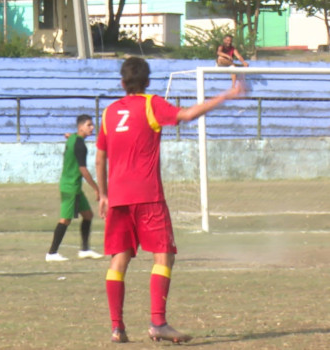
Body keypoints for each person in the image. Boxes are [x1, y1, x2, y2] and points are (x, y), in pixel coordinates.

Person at [95, 57, 243, 344]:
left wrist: (102, 194)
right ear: (148, 82)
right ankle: (158, 322)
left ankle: (117, 328)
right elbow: (187, 115)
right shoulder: (151, 104)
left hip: (118, 198)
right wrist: (225, 95)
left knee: (119, 259)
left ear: (122, 83)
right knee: (164, 255)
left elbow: (101, 157)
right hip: (148, 196)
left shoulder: (109, 112)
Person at [46, 114, 103, 262]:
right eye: (89, 125)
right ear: (81, 127)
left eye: (92, 125)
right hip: (70, 186)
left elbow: (70, 136)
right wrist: (97, 188)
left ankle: (85, 250)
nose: (92, 128)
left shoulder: (73, 138)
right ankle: (52, 253)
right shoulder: (79, 145)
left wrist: (69, 135)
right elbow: (83, 169)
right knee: (65, 220)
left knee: (88, 215)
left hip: (75, 187)